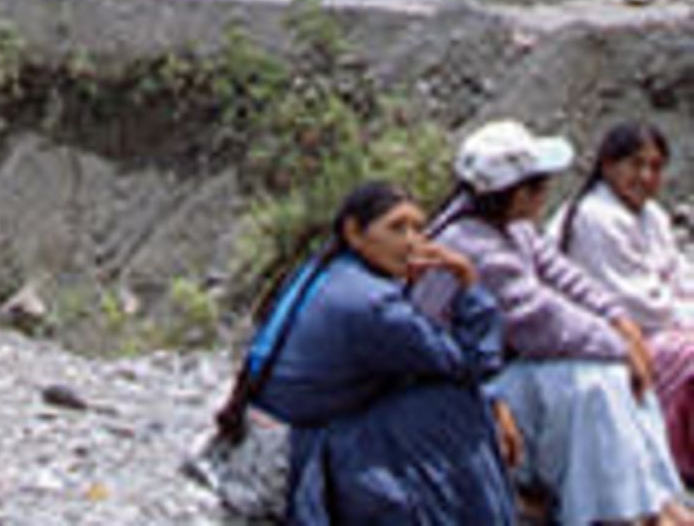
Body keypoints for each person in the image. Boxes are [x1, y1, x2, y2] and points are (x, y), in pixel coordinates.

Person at [214, 180, 520, 524]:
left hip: (271, 436)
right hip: (299, 455)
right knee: (454, 403)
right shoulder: (371, 304)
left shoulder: (326, 270)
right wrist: (467, 280)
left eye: (418, 228)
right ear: (354, 232)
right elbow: (472, 362)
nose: (411, 241)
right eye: (396, 228)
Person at [433, 119, 690, 526]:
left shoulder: (513, 228)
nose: (544, 196)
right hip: (471, 386)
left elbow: (566, 280)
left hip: (510, 367)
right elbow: (538, 320)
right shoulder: (474, 246)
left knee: (612, 376)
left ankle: (654, 500)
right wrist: (621, 346)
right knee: (594, 383)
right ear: (514, 193)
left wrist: (619, 320)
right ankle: (616, 508)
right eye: (537, 187)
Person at [553, 122, 694, 477]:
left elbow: (677, 274)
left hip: (655, 321)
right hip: (614, 329)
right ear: (608, 166)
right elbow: (635, 302)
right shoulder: (597, 218)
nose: (646, 176)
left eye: (656, 166)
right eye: (636, 164)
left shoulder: (652, 216)